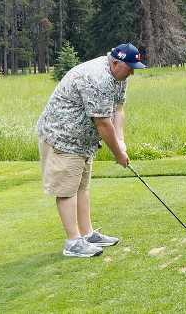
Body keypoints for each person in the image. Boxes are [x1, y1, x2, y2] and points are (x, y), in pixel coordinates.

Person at [36, 43, 146, 257]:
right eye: (130, 68)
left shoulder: (119, 76)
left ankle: (87, 234)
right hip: (62, 137)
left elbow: (118, 109)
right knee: (67, 190)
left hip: (83, 140)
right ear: (115, 63)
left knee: (81, 187)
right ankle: (73, 243)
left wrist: (121, 141)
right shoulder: (98, 78)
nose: (132, 73)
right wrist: (118, 155)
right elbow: (103, 123)